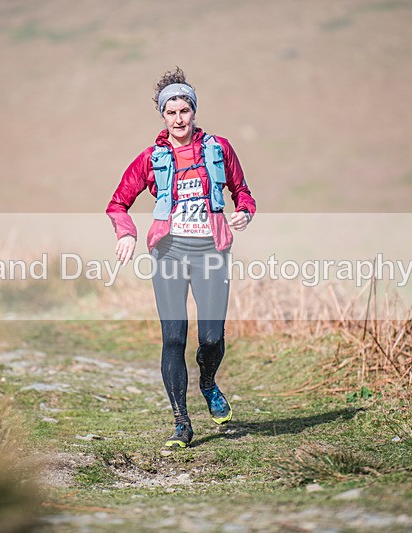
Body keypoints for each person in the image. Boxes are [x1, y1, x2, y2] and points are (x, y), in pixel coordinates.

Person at [106, 67, 256, 449]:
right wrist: (126, 233)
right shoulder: (150, 157)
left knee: (211, 337)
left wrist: (244, 212)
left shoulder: (218, 148)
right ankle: (181, 424)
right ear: (163, 116)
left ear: (193, 112)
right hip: (169, 253)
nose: (178, 119)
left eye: (184, 111)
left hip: (211, 252)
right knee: (173, 338)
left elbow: (242, 191)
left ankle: (208, 382)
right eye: (170, 112)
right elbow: (118, 203)